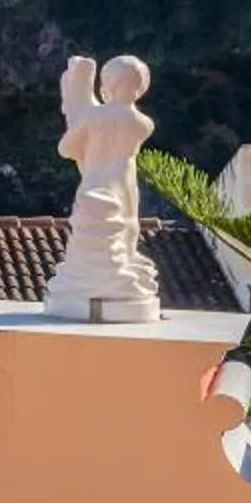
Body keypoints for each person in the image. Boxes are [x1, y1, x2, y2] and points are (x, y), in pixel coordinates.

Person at [42, 54, 161, 322]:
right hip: (125, 183)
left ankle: (92, 279)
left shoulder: (95, 116)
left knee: (91, 236)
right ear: (141, 86)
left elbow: (65, 148)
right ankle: (121, 272)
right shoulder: (143, 124)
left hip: (95, 181)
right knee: (128, 230)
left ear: (109, 81)